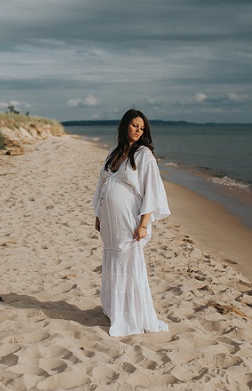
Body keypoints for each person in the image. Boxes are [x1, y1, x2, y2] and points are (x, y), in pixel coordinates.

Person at [92, 109, 171, 336]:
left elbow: (152, 190)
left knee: (128, 263)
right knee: (113, 261)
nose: (138, 130)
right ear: (125, 125)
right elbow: (102, 184)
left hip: (129, 220)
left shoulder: (144, 154)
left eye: (142, 128)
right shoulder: (114, 152)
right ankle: (115, 309)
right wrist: (99, 214)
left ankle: (132, 314)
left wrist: (144, 224)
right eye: (135, 125)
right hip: (110, 222)